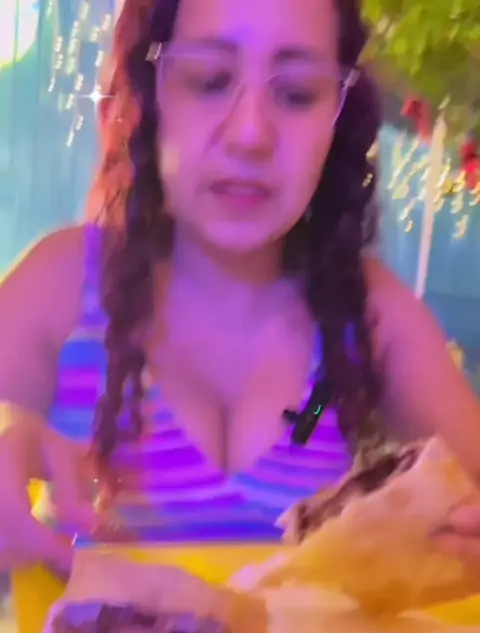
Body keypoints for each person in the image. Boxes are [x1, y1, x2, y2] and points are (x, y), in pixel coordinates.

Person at [0, 0, 479, 578]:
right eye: (209, 81)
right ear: (149, 93)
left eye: (297, 93)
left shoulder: (368, 313)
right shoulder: (61, 284)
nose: (250, 135)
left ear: (339, 116)